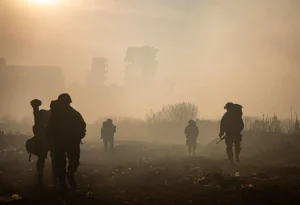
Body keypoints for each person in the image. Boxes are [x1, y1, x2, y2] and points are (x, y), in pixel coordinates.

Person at [47, 93, 86, 194]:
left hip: (66, 142)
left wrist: (78, 137)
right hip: (63, 142)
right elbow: (49, 128)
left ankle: (66, 178)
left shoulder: (72, 114)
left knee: (70, 163)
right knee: (63, 164)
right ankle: (64, 182)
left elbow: (82, 127)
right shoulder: (60, 115)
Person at [27, 99, 55, 185]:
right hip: (47, 140)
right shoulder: (45, 115)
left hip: (47, 139)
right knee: (51, 158)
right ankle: (45, 176)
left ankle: (42, 175)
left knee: (46, 158)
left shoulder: (43, 115)